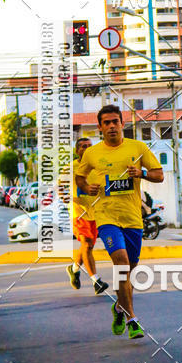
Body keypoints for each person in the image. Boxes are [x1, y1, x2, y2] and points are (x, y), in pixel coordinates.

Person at [76, 105, 163, 339]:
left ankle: (119, 307)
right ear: (100, 127)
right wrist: (86, 187)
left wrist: (141, 174)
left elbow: (159, 174)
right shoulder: (92, 153)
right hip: (106, 217)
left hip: (133, 218)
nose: (111, 126)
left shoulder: (138, 147)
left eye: (115, 121)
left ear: (122, 124)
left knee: (129, 273)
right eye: (106, 123)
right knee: (122, 263)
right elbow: (80, 177)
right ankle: (132, 320)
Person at [66, 137, 109, 295]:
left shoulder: (98, 167)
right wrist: (64, 196)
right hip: (79, 211)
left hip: (95, 211)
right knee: (86, 244)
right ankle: (96, 281)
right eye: (83, 146)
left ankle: (74, 268)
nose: (87, 148)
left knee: (88, 245)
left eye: (90, 146)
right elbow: (61, 187)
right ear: (77, 151)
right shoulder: (71, 168)